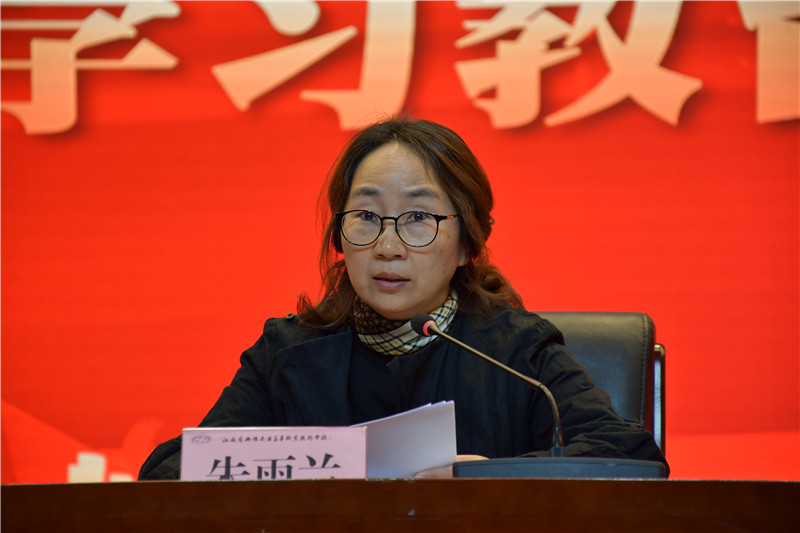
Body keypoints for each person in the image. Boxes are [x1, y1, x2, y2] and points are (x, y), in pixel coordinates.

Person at [138, 117, 667, 480]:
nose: (388, 246)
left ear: (468, 243)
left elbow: (628, 455)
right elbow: (170, 470)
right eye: (366, 216)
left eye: (418, 218)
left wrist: (481, 479)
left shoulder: (514, 352)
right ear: (339, 236)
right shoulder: (289, 354)